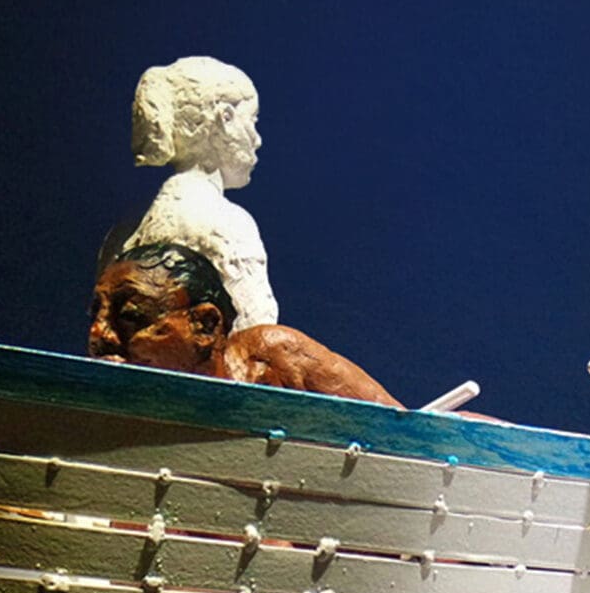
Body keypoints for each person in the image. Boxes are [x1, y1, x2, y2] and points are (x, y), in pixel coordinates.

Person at [89, 243, 401, 407]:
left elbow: (399, 426)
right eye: (96, 316)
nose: (98, 335)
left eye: (131, 317)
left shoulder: (273, 357)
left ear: (205, 325)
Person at [107, 58, 279, 328]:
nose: (257, 140)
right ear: (225, 119)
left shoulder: (127, 227)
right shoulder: (229, 221)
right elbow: (253, 332)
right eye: (252, 121)